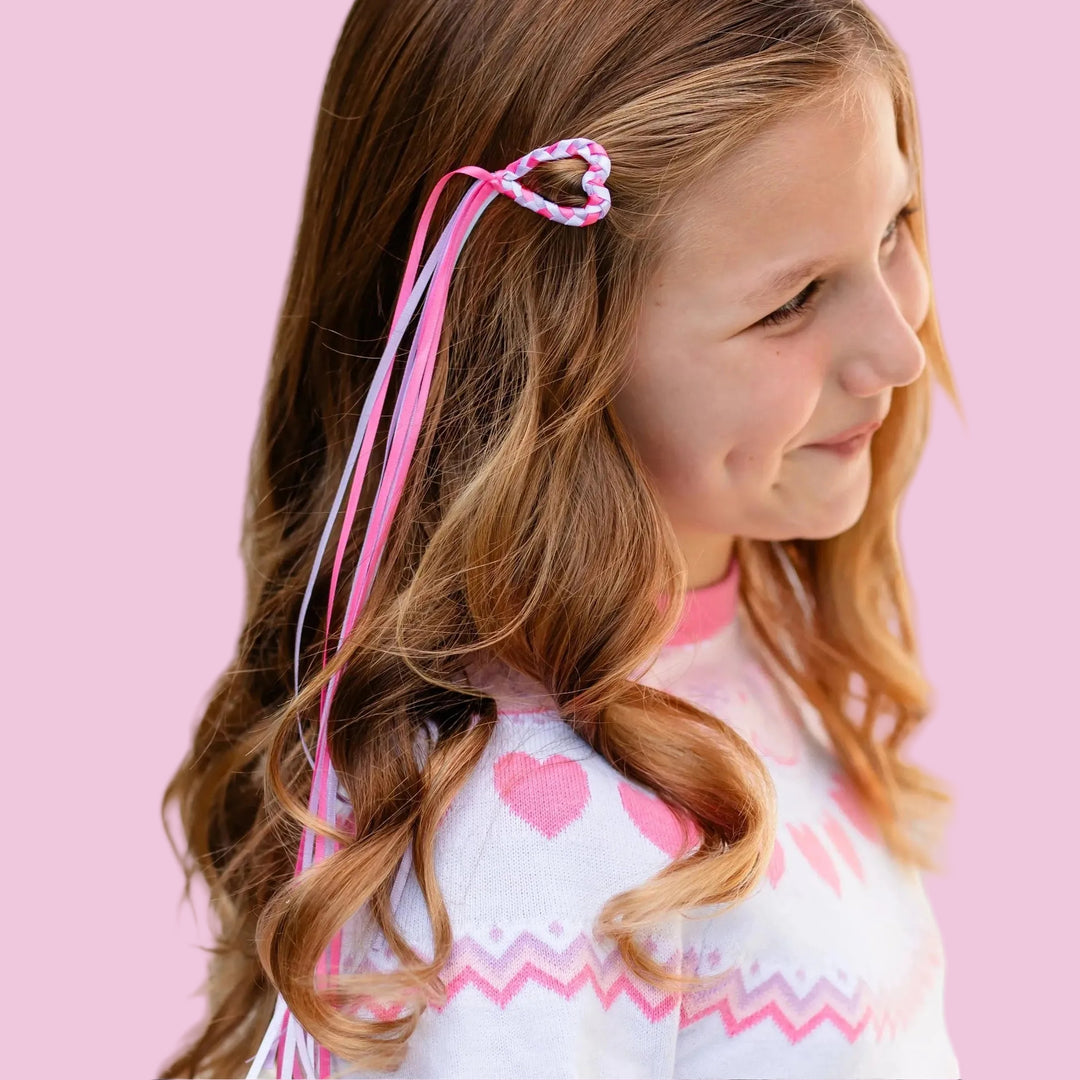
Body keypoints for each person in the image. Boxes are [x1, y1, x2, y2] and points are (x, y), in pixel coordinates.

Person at [159, 1, 963, 1077]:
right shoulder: (532, 836)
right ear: (547, 346)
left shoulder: (742, 624)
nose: (899, 350)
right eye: (793, 301)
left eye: (892, 232)